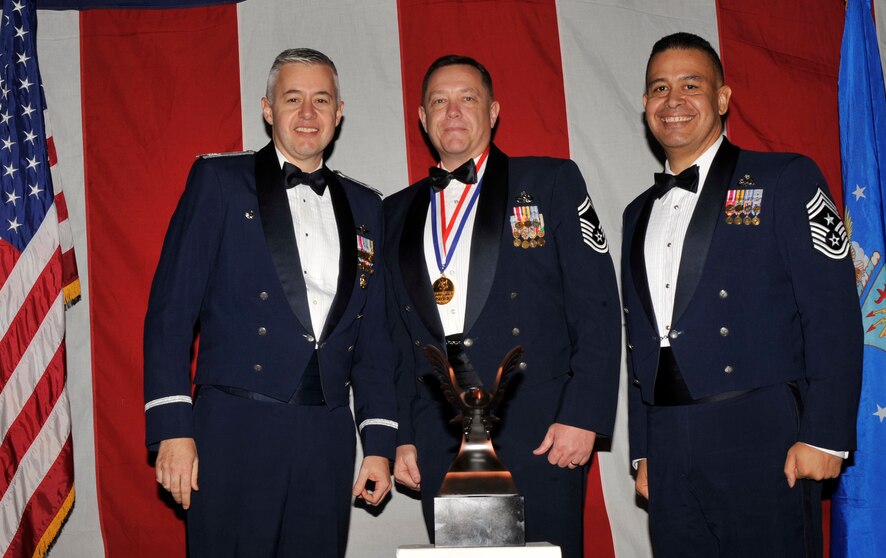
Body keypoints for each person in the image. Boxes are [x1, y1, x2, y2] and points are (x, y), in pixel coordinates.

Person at [143, 48, 397, 558]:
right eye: (293, 99)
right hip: (235, 429)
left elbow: (374, 340)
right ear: (267, 109)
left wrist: (380, 446)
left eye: (321, 100)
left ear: (339, 111)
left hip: (326, 435)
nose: (308, 114)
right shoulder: (218, 181)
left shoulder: (368, 206)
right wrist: (172, 429)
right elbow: (171, 314)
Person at [622, 32, 862, 557]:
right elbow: (638, 344)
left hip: (761, 432)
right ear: (645, 105)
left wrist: (825, 434)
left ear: (724, 98)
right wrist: (643, 451)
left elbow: (833, 312)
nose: (673, 100)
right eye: (659, 88)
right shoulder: (635, 212)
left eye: (691, 85)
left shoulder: (786, 178)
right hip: (668, 437)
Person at [384, 54, 621, 557]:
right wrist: (402, 436)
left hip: (542, 429)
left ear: (493, 111)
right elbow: (395, 340)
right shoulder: (394, 212)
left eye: (467, 98)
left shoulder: (551, 183)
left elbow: (596, 306)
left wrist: (584, 415)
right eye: (438, 102)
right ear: (422, 119)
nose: (452, 112)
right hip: (439, 436)